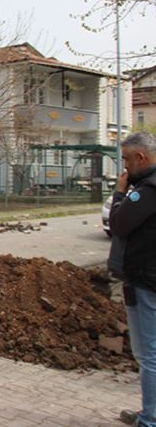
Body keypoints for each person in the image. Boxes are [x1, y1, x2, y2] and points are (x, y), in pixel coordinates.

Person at [108, 132, 156, 427]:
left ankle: (150, 418)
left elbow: (118, 224)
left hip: (145, 280)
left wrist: (120, 193)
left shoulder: (147, 190)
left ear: (141, 157)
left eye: (126, 159)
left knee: (147, 353)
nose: (124, 167)